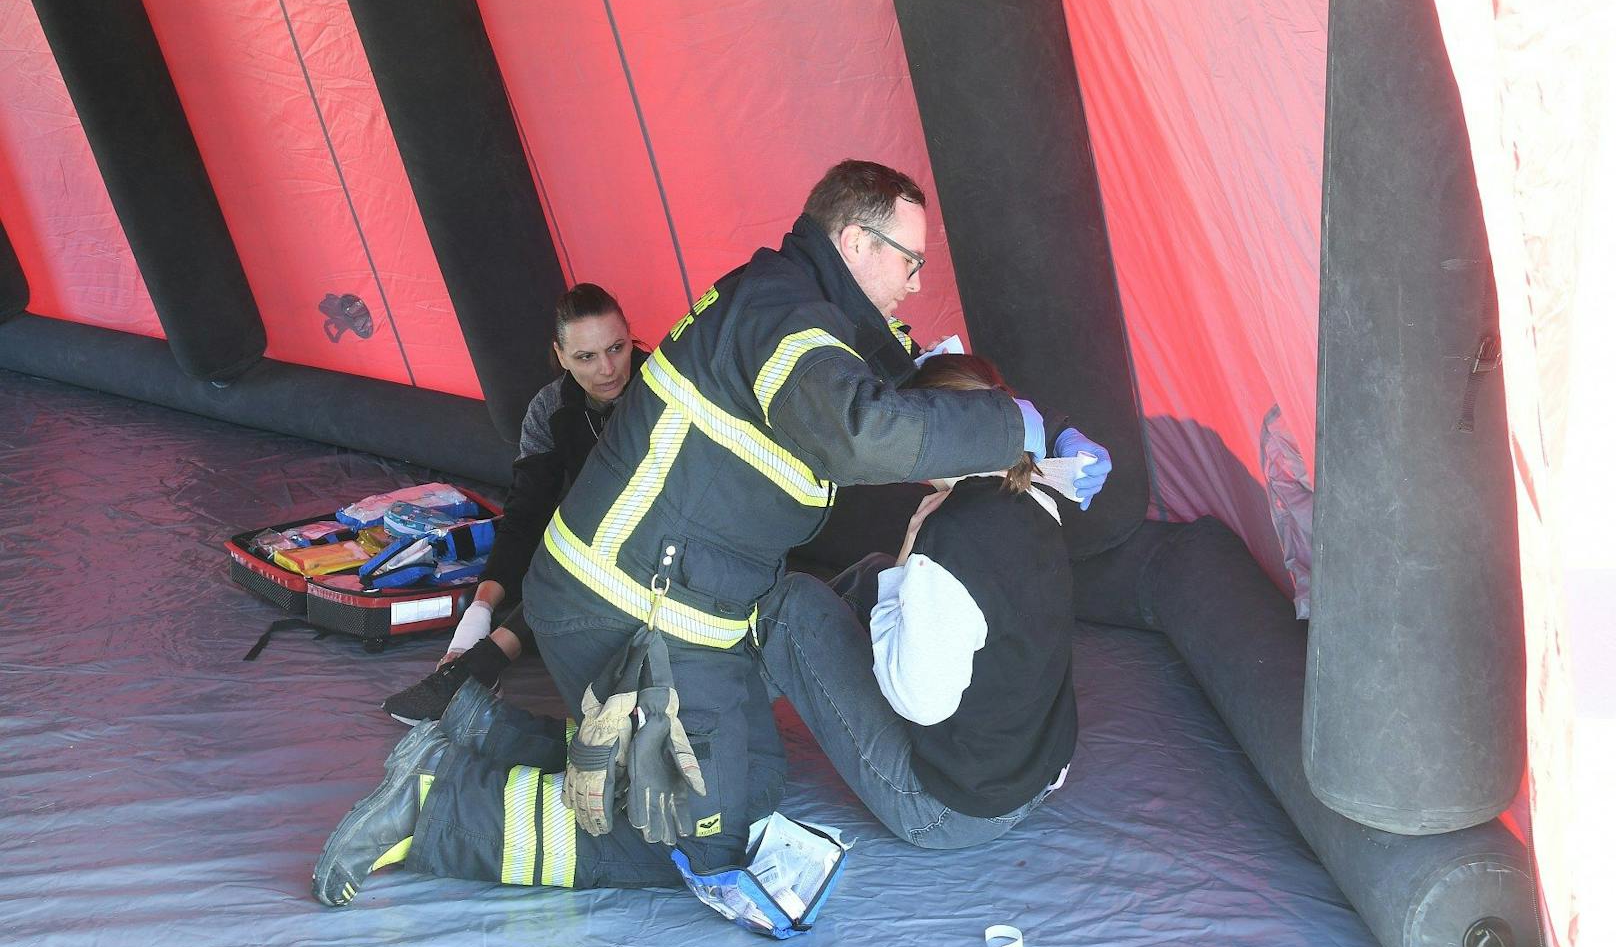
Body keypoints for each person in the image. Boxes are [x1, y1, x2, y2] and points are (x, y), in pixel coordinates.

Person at [314, 160, 1111, 903]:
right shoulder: (784, 323)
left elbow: (925, 382)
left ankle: (476, 729)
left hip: (684, 603)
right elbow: (863, 430)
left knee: (742, 774)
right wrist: (1015, 429)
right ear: (857, 243)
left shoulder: (819, 314)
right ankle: (432, 808)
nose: (917, 281)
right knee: (695, 834)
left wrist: (1052, 426)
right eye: (911, 260)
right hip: (628, 606)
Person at [756, 353, 1081, 848]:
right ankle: (748, 678)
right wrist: (902, 570)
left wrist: (913, 551)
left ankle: (716, 711)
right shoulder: (1034, 497)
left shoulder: (950, 535)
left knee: (791, 605)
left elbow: (919, 703)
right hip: (1030, 774)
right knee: (873, 572)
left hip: (943, 809)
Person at [381, 283, 647, 724]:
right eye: (586, 357)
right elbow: (526, 512)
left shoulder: (663, 390)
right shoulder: (550, 409)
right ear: (560, 355)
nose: (607, 369)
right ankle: (475, 651)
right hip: (592, 540)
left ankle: (476, 669)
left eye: (616, 348)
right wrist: (480, 609)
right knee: (550, 553)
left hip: (669, 535)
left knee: (577, 561)